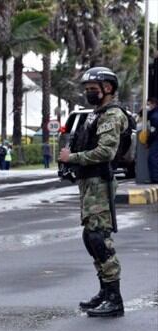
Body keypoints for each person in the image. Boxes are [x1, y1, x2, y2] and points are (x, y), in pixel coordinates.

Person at [59, 66, 126, 317]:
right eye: (86, 89)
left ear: (107, 88)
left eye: (92, 89)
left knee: (99, 238)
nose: (88, 93)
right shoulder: (97, 114)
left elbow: (106, 152)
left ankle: (114, 298)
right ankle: (105, 291)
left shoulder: (112, 115)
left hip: (100, 182)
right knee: (91, 237)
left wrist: (72, 157)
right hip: (89, 181)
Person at [147, 97, 158, 182]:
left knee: (152, 158)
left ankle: (155, 178)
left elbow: (153, 131)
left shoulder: (154, 116)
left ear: (154, 104)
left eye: (149, 104)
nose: (148, 106)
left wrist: (148, 142)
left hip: (156, 140)